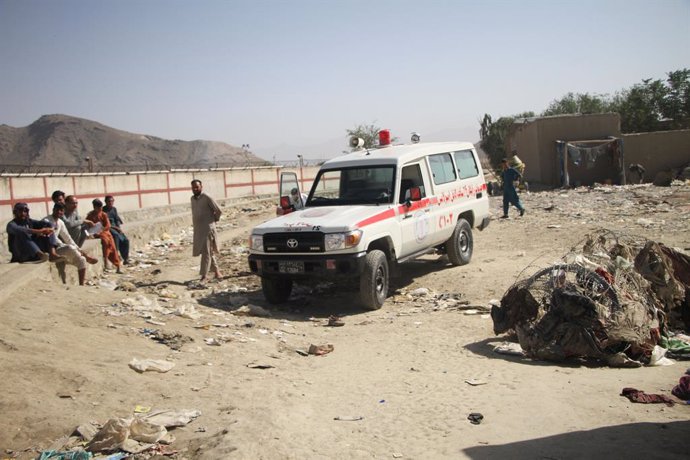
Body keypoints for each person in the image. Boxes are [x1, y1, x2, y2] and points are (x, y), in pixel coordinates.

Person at [44, 203, 98, 285]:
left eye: (61, 210)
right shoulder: (46, 221)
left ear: (63, 212)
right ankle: (86, 256)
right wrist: (64, 245)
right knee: (70, 248)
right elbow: (51, 238)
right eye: (57, 209)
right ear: (53, 209)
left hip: (59, 249)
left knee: (81, 260)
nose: (59, 212)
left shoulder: (60, 222)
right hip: (49, 250)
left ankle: (81, 285)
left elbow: (68, 238)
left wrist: (78, 249)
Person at [191, 179, 222, 282]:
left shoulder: (207, 197)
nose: (195, 189)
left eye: (197, 187)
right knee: (207, 251)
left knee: (206, 253)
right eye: (193, 187)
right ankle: (217, 272)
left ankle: (204, 275)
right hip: (198, 230)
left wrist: (213, 221)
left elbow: (218, 210)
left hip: (207, 230)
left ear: (201, 187)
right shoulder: (192, 199)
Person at [86, 198, 122, 273]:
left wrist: (101, 231)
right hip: (96, 234)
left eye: (101, 207)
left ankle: (118, 266)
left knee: (113, 248)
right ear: (94, 207)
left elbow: (108, 225)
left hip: (105, 233)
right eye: (98, 208)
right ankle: (105, 260)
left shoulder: (103, 214)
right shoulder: (90, 215)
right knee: (105, 242)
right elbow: (87, 226)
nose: (100, 209)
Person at [103, 195, 130, 265]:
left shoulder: (114, 209)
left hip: (116, 227)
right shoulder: (103, 211)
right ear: (105, 202)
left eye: (112, 201)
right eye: (109, 201)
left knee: (126, 240)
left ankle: (126, 258)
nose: (110, 203)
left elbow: (116, 220)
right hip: (109, 228)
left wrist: (119, 228)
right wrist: (116, 228)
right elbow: (106, 223)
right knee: (116, 236)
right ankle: (116, 254)